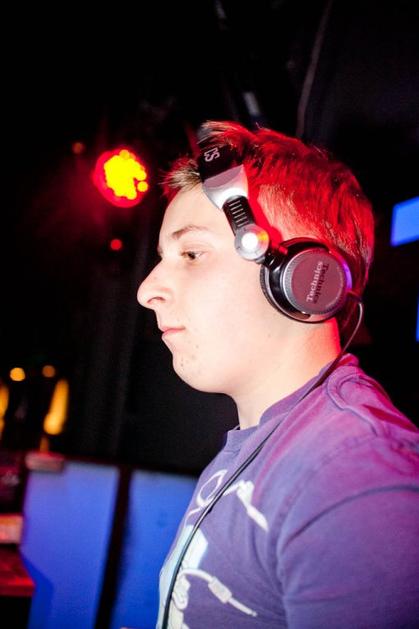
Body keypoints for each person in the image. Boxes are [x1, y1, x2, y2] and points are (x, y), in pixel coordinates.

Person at [137, 120, 419, 628]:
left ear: (304, 276)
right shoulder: (272, 447)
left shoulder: (352, 475)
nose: (147, 290)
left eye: (192, 254)